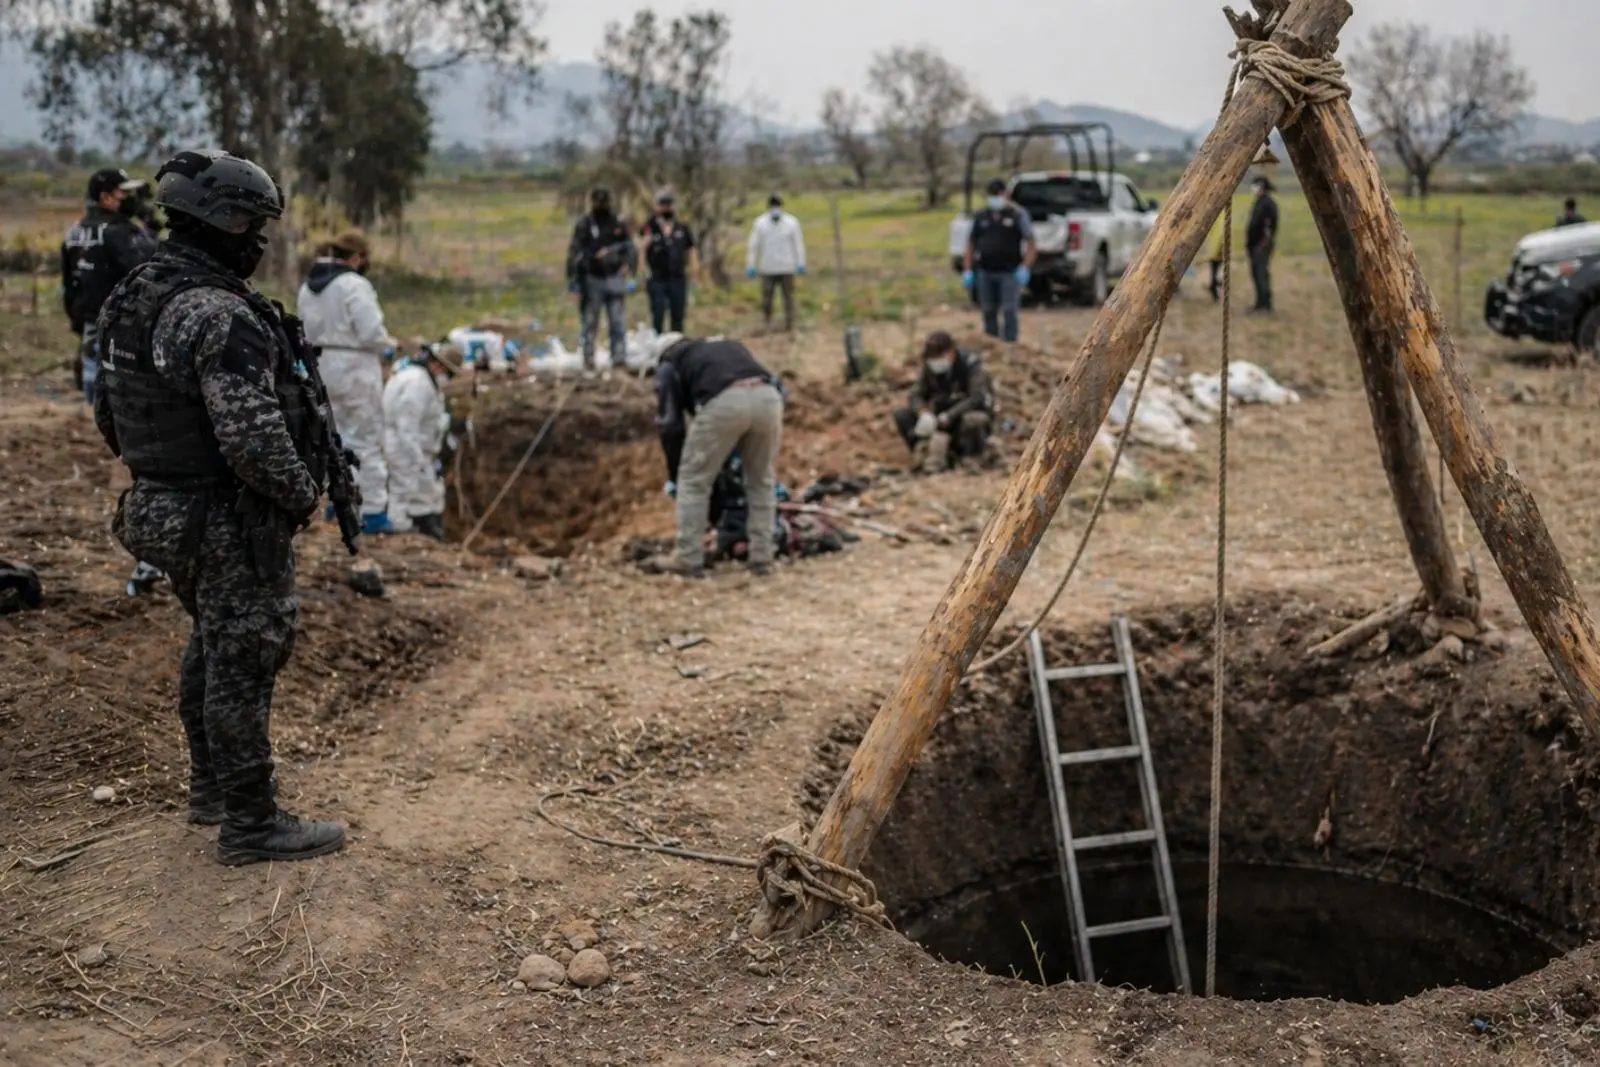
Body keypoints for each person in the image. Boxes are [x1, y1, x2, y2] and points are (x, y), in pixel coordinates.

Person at [93, 148, 345, 865]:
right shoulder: (217, 314)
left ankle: (210, 789)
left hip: (157, 507)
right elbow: (254, 439)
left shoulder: (134, 295)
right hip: (219, 518)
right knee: (245, 651)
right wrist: (302, 496)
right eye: (254, 227)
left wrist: (160, 475)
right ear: (224, 222)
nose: (259, 243)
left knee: (213, 638)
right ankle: (250, 820)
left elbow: (108, 412)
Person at [650, 332, 784, 578]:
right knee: (761, 479)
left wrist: (676, 471)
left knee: (693, 480)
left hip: (726, 401)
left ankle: (688, 558)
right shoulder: (723, 346)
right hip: (768, 397)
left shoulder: (670, 362)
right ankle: (762, 556)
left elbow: (670, 425)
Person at [296, 229, 398, 535]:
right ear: (356, 258)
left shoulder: (308, 288)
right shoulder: (354, 284)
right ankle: (371, 509)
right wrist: (387, 345)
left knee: (334, 438)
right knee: (366, 437)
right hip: (355, 365)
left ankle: (338, 504)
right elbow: (369, 331)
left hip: (321, 365)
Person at [61, 168, 158, 405]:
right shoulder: (120, 231)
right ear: (106, 198)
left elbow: (68, 282)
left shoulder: (74, 231)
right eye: (124, 193)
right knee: (124, 388)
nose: (130, 199)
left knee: (92, 377)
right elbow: (152, 265)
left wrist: (76, 319)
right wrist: (150, 227)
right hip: (124, 321)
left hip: (89, 320)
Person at [892, 331, 995, 473]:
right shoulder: (930, 368)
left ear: (950, 353)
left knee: (974, 420)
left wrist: (950, 415)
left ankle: (971, 457)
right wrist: (922, 412)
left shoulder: (971, 366)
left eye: (937, 357)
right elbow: (915, 394)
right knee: (902, 416)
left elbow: (976, 398)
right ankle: (923, 451)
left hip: (963, 415)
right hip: (939, 416)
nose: (935, 362)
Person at [383, 345, 453, 540]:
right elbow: (407, 424)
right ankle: (398, 529)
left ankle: (422, 531)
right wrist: (417, 458)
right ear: (439, 366)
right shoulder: (417, 383)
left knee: (424, 492)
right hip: (405, 446)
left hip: (415, 447)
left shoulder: (423, 380)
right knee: (403, 489)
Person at [566, 187, 637, 371]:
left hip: (614, 278)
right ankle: (589, 358)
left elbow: (629, 247)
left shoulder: (617, 223)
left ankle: (619, 358)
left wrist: (628, 265)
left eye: (605, 202)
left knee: (618, 321)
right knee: (590, 322)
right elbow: (575, 251)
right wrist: (573, 280)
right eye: (599, 202)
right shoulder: (585, 224)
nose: (602, 205)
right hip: (592, 279)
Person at [962, 179, 1036, 343]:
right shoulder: (981, 216)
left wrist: (1025, 267)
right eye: (992, 195)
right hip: (985, 271)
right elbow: (971, 244)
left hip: (1009, 271)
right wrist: (967, 269)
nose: (996, 198)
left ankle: (1010, 344)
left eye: (999, 194)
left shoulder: (1017, 215)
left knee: (1009, 310)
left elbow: (1031, 243)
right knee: (988, 310)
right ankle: (991, 342)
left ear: (1005, 194)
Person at [642, 187, 698, 335]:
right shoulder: (649, 227)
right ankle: (657, 347)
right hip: (657, 278)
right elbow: (639, 251)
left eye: (669, 204)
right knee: (658, 314)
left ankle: (677, 348)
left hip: (677, 278)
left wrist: (694, 274)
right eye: (662, 204)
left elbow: (691, 251)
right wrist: (643, 272)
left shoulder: (683, 228)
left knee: (678, 316)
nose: (666, 208)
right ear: (657, 206)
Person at [746, 194, 806, 332]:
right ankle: (767, 323)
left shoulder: (791, 223)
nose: (775, 209)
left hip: (787, 266)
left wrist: (801, 262)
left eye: (777, 206)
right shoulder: (760, 223)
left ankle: (789, 324)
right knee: (767, 298)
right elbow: (753, 245)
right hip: (768, 267)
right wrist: (751, 264)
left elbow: (798, 244)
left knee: (788, 297)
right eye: (773, 206)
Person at [1245, 176, 1278, 313]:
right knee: (1256, 274)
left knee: (1261, 274)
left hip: (1261, 246)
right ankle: (1259, 304)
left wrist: (1262, 245)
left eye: (1256, 185)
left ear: (1262, 186)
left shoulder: (1268, 204)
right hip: (1255, 245)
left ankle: (1265, 305)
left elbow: (1269, 227)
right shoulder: (1259, 202)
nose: (1253, 188)